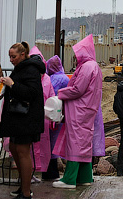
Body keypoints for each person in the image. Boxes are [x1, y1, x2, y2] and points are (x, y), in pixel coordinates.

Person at [52, 35, 103, 189]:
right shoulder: (95, 67)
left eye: (77, 53)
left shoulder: (86, 67)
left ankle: (69, 179)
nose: (76, 57)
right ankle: (85, 177)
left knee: (74, 143)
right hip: (88, 110)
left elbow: (77, 89)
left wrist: (60, 93)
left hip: (78, 111)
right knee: (84, 144)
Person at [0, 42, 45, 199]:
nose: (11, 60)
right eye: (9, 56)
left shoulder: (31, 69)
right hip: (18, 118)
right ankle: (23, 187)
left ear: (23, 55)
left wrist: (12, 84)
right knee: (14, 147)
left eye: (14, 56)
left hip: (26, 118)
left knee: (23, 152)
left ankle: (26, 192)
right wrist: (5, 86)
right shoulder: (21, 68)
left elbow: (31, 93)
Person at [28, 47, 54, 181]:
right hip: (28, 118)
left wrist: (52, 117)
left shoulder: (47, 79)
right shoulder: (26, 77)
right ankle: (27, 173)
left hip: (42, 119)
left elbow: (52, 98)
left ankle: (33, 172)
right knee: (28, 147)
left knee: (40, 148)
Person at [42, 55, 69, 180]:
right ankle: (53, 173)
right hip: (61, 115)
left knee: (49, 144)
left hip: (50, 115)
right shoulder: (64, 78)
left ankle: (49, 172)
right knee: (56, 144)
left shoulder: (50, 79)